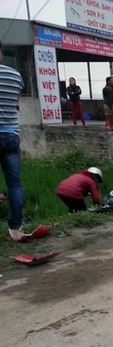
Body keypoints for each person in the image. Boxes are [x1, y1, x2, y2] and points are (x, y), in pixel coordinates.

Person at [0, 43, 26, 241]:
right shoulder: (15, 75)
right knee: (15, 185)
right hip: (11, 135)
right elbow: (16, 104)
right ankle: (16, 229)